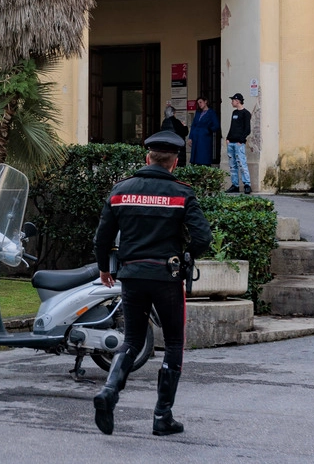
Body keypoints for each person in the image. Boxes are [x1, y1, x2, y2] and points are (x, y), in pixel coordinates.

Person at [91, 130, 212, 437]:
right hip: (166, 277)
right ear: (174, 163)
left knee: (131, 340)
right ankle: (162, 416)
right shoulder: (182, 193)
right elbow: (203, 238)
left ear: (147, 158)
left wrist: (105, 268)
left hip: (131, 275)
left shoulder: (121, 191)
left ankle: (108, 392)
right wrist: (185, 256)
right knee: (173, 343)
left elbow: (102, 236)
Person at [225, 93, 252, 194]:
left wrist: (241, 140)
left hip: (239, 143)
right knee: (232, 165)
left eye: (233, 100)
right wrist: (228, 138)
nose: (232, 102)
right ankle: (235, 185)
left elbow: (247, 129)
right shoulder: (234, 113)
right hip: (231, 142)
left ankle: (247, 184)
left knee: (242, 163)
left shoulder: (246, 113)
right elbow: (232, 126)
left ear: (238, 101)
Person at [188, 97, 219, 166]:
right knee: (195, 157)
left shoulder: (211, 113)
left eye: (201, 102)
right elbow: (193, 125)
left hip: (205, 138)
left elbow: (216, 125)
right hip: (196, 137)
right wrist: (190, 137)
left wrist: (208, 130)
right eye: (198, 103)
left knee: (204, 156)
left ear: (205, 102)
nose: (199, 104)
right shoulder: (198, 112)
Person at [159, 102, 189, 167]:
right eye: (175, 113)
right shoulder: (175, 122)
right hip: (177, 148)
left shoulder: (164, 122)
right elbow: (184, 132)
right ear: (173, 113)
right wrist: (184, 126)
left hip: (167, 148)